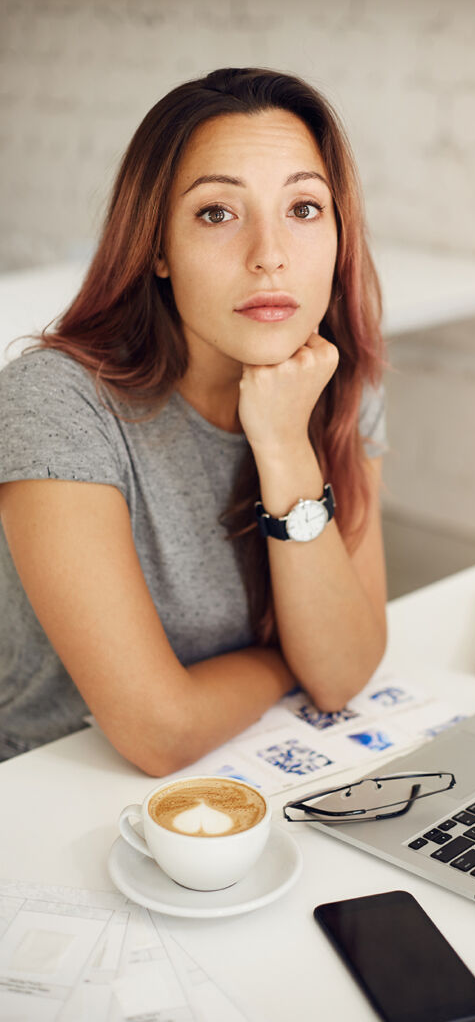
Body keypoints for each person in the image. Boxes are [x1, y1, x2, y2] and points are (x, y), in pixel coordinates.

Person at [0, 67, 388, 775]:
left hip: (243, 762)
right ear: (157, 248)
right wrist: (280, 662)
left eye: (303, 208)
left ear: (339, 235)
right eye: (217, 212)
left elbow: (338, 673)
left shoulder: (335, 383)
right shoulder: (54, 402)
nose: (269, 254)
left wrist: (282, 444)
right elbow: (159, 731)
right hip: (47, 782)